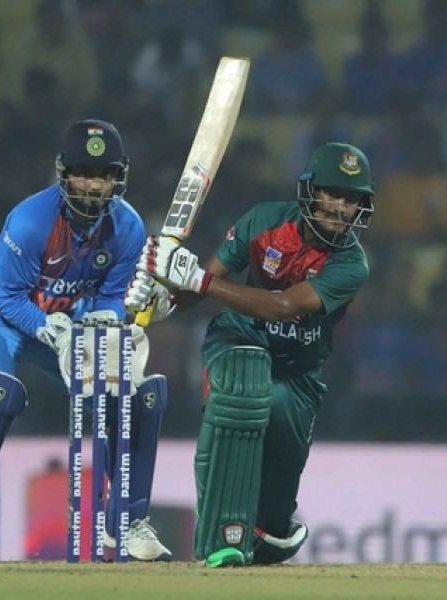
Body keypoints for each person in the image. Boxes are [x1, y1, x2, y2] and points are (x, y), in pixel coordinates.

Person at [0, 119, 172, 562]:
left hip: (66, 318)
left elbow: (112, 298)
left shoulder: (128, 228)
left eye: (104, 175)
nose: (93, 185)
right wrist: (46, 328)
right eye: (83, 174)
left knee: (128, 394)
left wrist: (106, 319)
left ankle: (127, 522)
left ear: (118, 177)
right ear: (64, 174)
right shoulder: (30, 221)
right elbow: (7, 296)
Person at [126, 142, 376, 567]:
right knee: (242, 391)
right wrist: (163, 296)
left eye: (351, 199)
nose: (339, 207)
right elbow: (199, 287)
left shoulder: (351, 263)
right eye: (332, 194)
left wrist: (197, 280)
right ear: (310, 191)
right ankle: (219, 533)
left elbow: (284, 305)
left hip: (297, 369)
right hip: (239, 337)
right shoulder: (264, 222)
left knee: (273, 518)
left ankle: (272, 532)